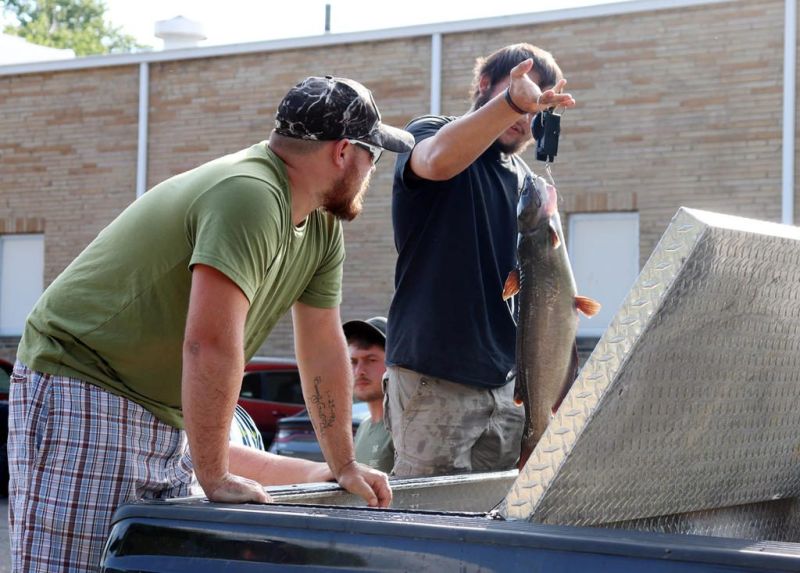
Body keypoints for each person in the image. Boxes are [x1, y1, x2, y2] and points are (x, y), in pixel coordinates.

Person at [9, 75, 414, 573]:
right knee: (77, 565)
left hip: (162, 407)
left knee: (145, 562)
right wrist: (214, 474)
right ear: (344, 151)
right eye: (373, 156)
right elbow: (209, 345)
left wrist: (343, 464)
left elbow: (324, 350)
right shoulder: (251, 195)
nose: (373, 170)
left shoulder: (321, 228)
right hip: (85, 380)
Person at [385, 43, 576, 477]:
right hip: (434, 375)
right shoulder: (433, 131)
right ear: (485, 86)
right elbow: (434, 161)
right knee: (426, 523)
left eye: (536, 105)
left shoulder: (527, 182)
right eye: (519, 95)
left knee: (495, 521)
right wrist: (510, 105)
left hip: (508, 385)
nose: (526, 115)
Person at [343, 316, 394, 473]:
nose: (359, 371)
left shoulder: (406, 428)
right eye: (352, 362)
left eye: (371, 360)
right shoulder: (363, 426)